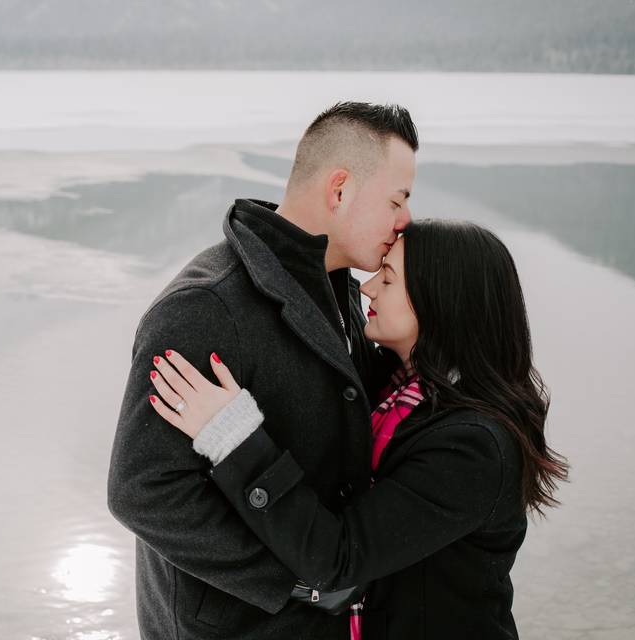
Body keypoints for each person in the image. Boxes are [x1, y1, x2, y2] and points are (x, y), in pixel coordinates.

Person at [146, 220, 569, 639]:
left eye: (387, 277)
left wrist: (232, 437)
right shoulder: (394, 390)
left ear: (440, 299)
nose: (367, 288)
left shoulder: (475, 447)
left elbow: (339, 558)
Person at [107, 101, 417, 639]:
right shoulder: (206, 306)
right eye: (397, 199)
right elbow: (141, 489)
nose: (405, 219)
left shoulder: (336, 285)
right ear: (340, 189)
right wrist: (298, 581)